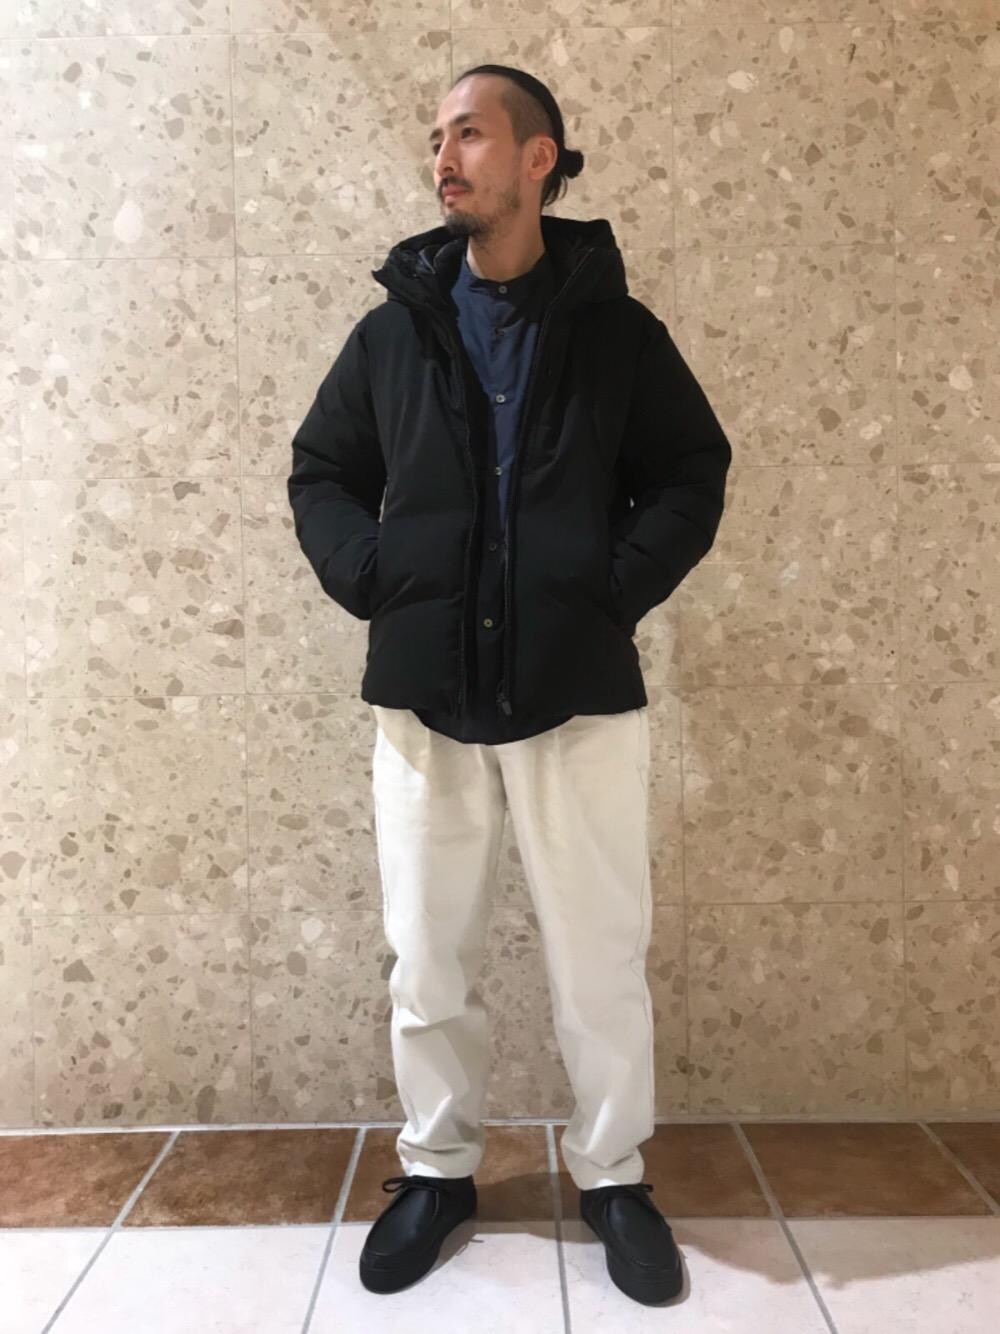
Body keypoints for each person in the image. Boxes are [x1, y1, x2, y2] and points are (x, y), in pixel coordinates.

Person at [288, 63, 732, 1305]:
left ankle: (613, 1174)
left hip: (576, 693)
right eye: (437, 137)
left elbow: (691, 469)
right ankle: (436, 1171)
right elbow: (321, 468)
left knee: (600, 960)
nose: (444, 157)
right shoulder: (392, 333)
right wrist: (377, 577)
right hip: (423, 698)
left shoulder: (617, 335)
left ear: (539, 158)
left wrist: (606, 587)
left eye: (469, 133)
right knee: (427, 958)